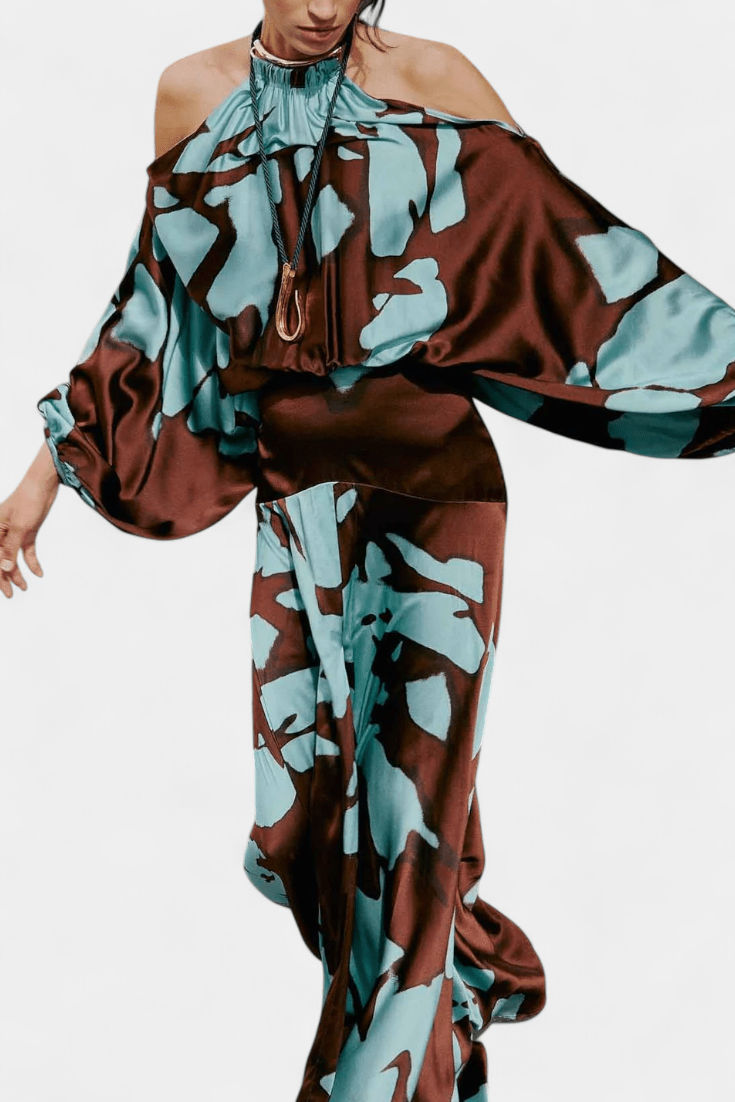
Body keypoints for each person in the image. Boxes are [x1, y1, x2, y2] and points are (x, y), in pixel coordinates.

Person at [3, 1, 735, 1099]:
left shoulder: (433, 77)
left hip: (437, 499)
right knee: (302, 822)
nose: (322, 8)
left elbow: (559, 259)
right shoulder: (189, 94)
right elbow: (154, 314)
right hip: (296, 498)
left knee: (405, 819)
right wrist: (40, 481)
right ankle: (452, 986)